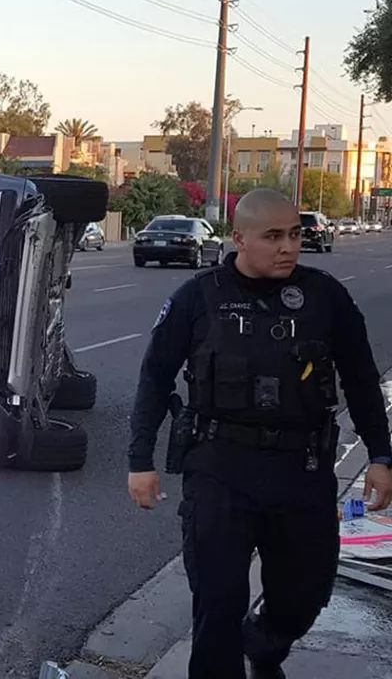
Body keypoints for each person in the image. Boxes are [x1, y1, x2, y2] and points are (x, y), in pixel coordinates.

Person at [126, 189, 392, 679]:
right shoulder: (198, 298)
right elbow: (155, 377)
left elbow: (360, 375)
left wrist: (380, 455)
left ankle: (266, 644)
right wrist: (139, 460)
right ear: (239, 238)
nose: (289, 246)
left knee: (304, 595)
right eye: (273, 237)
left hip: (302, 470)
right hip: (220, 469)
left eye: (294, 234)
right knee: (217, 604)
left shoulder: (324, 296)